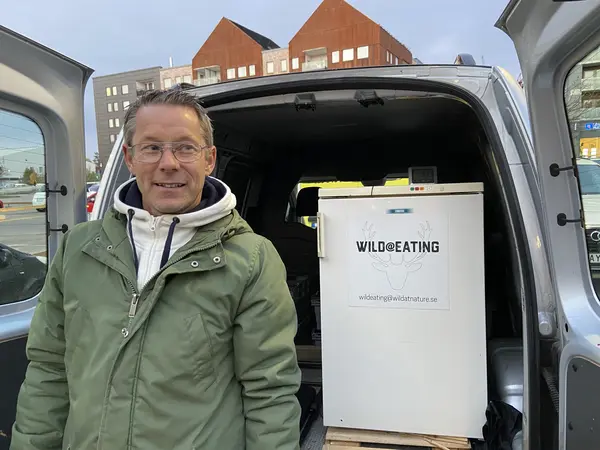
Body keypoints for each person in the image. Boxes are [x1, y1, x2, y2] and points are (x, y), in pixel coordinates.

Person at [10, 89, 302, 450]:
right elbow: (48, 370)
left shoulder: (251, 259)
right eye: (151, 148)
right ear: (130, 158)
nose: (168, 163)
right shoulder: (79, 248)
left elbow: (269, 391)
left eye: (185, 147)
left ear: (209, 159)